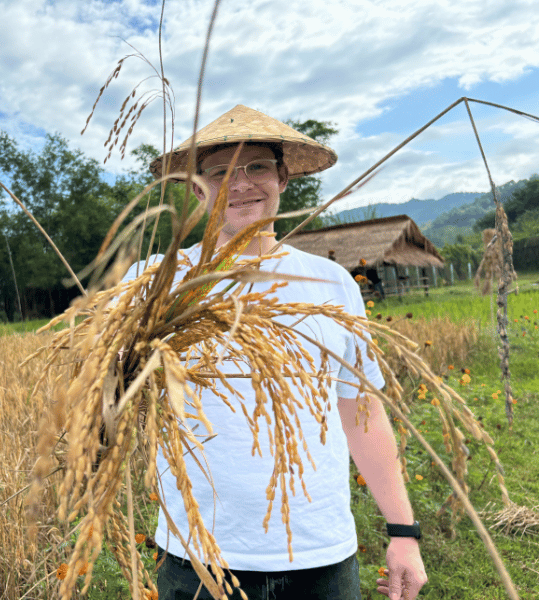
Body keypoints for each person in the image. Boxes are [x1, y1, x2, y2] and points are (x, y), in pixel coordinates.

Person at [133, 105, 427, 600]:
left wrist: (403, 532)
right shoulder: (155, 281)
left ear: (283, 176)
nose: (241, 184)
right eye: (221, 171)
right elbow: (102, 392)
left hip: (320, 552)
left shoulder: (332, 283)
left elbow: (360, 409)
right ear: (198, 187)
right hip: (198, 556)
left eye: (257, 168)